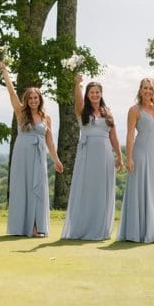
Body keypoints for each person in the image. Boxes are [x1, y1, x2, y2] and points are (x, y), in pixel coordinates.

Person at [0, 61, 63, 237]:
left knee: (38, 188)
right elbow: (11, 92)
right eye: (30, 98)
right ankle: (24, 227)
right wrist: (4, 70)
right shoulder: (20, 112)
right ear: (26, 100)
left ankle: (37, 226)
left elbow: (50, 141)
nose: (33, 100)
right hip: (22, 154)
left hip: (39, 155)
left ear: (40, 100)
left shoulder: (46, 117)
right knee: (23, 188)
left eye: (36, 98)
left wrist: (56, 159)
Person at [61, 74, 123, 240]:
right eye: (91, 92)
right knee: (86, 188)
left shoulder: (107, 113)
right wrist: (77, 84)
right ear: (88, 95)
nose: (95, 95)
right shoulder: (82, 111)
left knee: (102, 190)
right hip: (87, 154)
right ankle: (81, 226)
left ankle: (100, 227)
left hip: (105, 155)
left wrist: (119, 156)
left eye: (97, 92)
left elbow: (114, 137)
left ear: (101, 94)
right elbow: (78, 100)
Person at [117, 52, 154, 242]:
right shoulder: (134, 110)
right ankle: (137, 232)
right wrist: (128, 158)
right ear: (140, 90)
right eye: (145, 88)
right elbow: (130, 135)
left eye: (151, 88)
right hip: (140, 154)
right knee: (140, 191)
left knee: (153, 191)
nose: (148, 91)